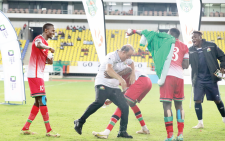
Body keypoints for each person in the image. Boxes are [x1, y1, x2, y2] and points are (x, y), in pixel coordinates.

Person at [126, 28, 189, 141]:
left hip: (167, 76)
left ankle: (170, 136)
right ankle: (180, 135)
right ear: (178, 36)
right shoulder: (184, 46)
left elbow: (150, 34)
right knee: (179, 106)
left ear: (169, 35)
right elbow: (186, 65)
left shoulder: (164, 41)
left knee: (167, 105)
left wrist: (134, 31)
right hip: (179, 77)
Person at [74, 45, 136, 138]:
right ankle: (80, 121)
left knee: (125, 106)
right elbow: (108, 69)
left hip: (114, 87)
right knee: (99, 102)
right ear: (123, 52)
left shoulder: (125, 59)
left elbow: (132, 63)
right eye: (128, 55)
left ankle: (122, 132)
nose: (129, 58)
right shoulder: (111, 56)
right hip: (102, 83)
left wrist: (133, 73)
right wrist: (121, 79)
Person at [20, 23, 60, 137]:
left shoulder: (45, 43)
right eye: (52, 31)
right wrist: (49, 48)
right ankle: (49, 130)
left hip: (37, 74)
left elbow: (45, 60)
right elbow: (38, 44)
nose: (54, 33)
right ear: (46, 30)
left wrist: (49, 59)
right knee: (43, 100)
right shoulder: (39, 39)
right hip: (35, 74)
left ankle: (25, 127)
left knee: (39, 101)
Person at [92, 69, 152, 139]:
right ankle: (144, 128)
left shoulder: (116, 74)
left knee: (122, 104)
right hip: (147, 82)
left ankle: (106, 132)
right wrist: (111, 100)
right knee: (131, 103)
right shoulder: (118, 72)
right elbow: (127, 91)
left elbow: (128, 69)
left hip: (141, 81)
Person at [189, 31, 225, 129]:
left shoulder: (211, 45)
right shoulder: (190, 50)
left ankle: (224, 118)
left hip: (211, 78)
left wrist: (223, 67)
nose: (193, 39)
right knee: (197, 100)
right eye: (192, 37)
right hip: (198, 79)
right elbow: (185, 62)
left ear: (200, 37)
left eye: (195, 37)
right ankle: (200, 123)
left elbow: (223, 56)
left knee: (217, 100)